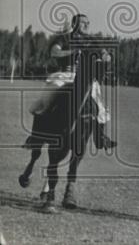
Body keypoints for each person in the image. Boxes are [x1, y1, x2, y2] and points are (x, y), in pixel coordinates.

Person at [29, 14, 115, 150]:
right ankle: (36, 134)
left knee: (100, 105)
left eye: (88, 22)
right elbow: (54, 52)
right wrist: (72, 52)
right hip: (65, 74)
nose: (87, 25)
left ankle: (100, 137)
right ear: (74, 24)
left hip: (85, 77)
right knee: (47, 98)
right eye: (83, 23)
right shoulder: (64, 38)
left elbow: (105, 54)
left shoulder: (92, 40)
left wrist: (106, 57)